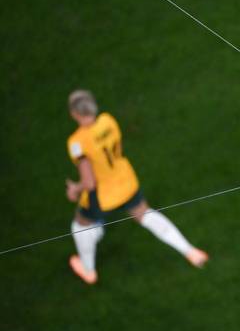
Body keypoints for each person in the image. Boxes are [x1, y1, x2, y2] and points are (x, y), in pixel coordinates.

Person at [65, 90, 208, 284]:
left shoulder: (77, 142)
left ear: (74, 114)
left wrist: (75, 188)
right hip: (125, 181)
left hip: (102, 195)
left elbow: (89, 182)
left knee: (80, 225)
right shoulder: (108, 120)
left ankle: (88, 270)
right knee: (145, 214)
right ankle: (191, 252)